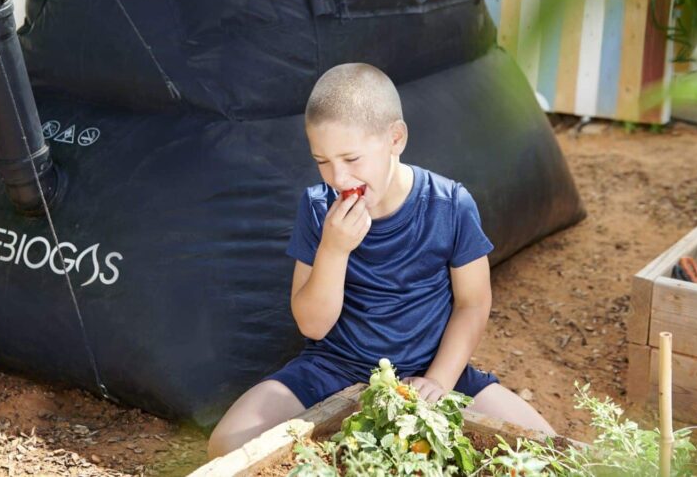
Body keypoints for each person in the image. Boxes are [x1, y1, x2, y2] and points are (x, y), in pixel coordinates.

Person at [207, 63, 554, 459]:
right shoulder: (318, 208)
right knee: (227, 443)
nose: (337, 177)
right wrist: (334, 249)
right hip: (333, 370)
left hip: (430, 371)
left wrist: (438, 381)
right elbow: (313, 325)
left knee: (549, 449)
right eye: (322, 160)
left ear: (395, 138)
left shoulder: (450, 205)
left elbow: (473, 303)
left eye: (351, 158)